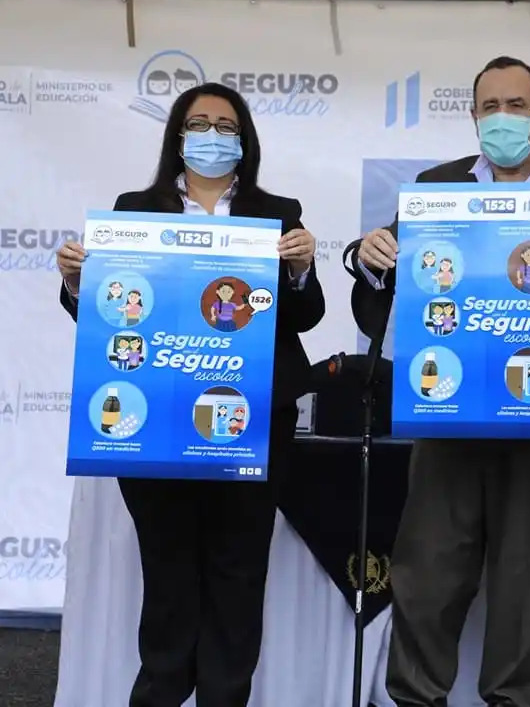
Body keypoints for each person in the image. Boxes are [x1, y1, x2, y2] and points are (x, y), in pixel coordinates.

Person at [346, 55, 530, 707]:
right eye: (491, 107)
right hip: (448, 416)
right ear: (473, 116)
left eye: (517, 106)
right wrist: (370, 260)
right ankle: (413, 698)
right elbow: (387, 273)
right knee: (427, 578)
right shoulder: (436, 187)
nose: (504, 118)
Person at [55, 82, 325, 707]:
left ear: (244, 139)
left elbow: (305, 316)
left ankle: (226, 698)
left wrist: (301, 269)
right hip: (156, 421)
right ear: (177, 135)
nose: (212, 135)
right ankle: (159, 694)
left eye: (225, 126)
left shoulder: (278, 210)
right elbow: (112, 316)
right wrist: (78, 284)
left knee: (238, 574)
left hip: (252, 420)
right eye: (198, 122)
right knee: (169, 574)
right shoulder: (135, 207)